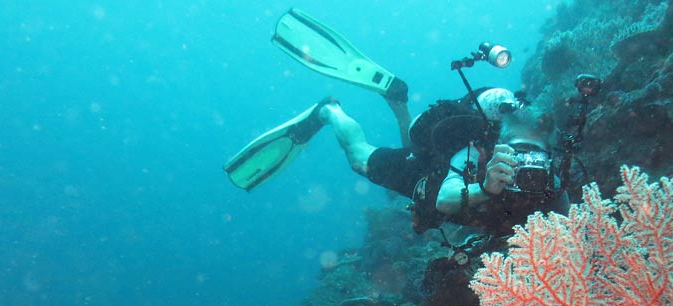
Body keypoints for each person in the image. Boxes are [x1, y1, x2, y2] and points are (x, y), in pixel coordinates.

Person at [224, 9, 569, 237]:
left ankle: (398, 104)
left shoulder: (553, 178)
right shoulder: (476, 149)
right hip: (437, 171)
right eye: (519, 152)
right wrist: (485, 189)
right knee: (361, 159)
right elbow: (444, 199)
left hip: (440, 159)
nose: (528, 164)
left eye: (537, 156)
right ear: (499, 140)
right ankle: (328, 111)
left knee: (412, 148)